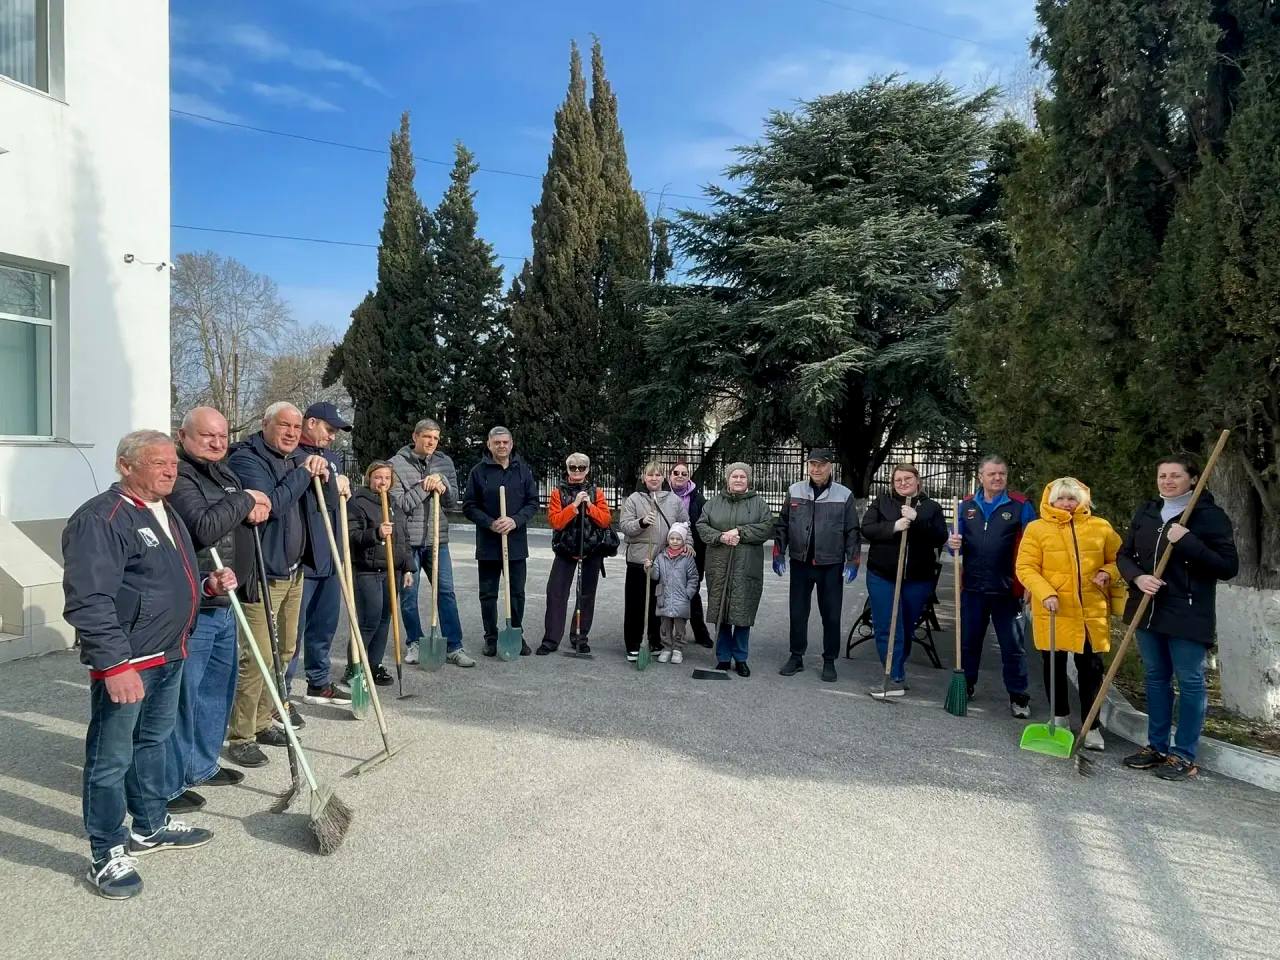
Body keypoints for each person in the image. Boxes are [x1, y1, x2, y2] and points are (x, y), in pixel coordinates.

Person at [63, 430, 235, 900]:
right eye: (157, 462)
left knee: (153, 743)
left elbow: (160, 583)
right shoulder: (102, 519)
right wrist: (114, 664)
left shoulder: (168, 513)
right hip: (129, 662)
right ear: (125, 465)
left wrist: (207, 586)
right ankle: (106, 849)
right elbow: (89, 600)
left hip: (170, 652)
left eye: (173, 464)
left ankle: (150, 824)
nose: (169, 470)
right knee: (110, 758)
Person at [163, 407, 270, 816]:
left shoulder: (224, 474)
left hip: (229, 601)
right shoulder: (182, 476)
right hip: (199, 602)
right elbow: (205, 528)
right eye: (207, 435)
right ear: (183, 435)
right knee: (185, 694)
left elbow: (245, 518)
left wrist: (252, 506)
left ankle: (202, 765)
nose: (216, 442)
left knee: (216, 690)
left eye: (222, 436)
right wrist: (246, 499)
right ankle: (171, 781)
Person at [1117, 456, 1238, 780]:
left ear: (1194, 479)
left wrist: (1186, 541)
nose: (1167, 481)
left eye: (1175, 476)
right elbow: (1124, 555)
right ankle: (1156, 747)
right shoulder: (1148, 511)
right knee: (1156, 678)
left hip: (1187, 611)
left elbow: (1227, 567)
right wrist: (1138, 579)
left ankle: (1183, 755)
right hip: (1149, 606)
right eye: (1162, 476)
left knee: (1190, 682)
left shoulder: (1209, 517)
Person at [225, 402, 332, 768]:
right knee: (257, 655)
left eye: (295, 426)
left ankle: (265, 718)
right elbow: (273, 504)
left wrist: (329, 477)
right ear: (265, 424)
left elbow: (323, 505)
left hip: (295, 571)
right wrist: (304, 472)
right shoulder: (247, 459)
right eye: (283, 425)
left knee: (286, 650)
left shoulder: (296, 459)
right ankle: (240, 735)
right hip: (263, 572)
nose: (290, 432)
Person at [1015, 477, 1122, 751]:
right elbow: (1026, 566)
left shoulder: (1101, 527)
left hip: (1090, 610)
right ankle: (1059, 717)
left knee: (1091, 668)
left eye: (1071, 498)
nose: (1066, 504)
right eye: (1060, 499)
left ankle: (1092, 725)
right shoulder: (1036, 529)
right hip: (1053, 608)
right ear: (1050, 501)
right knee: (1054, 664)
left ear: (1082, 500)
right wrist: (1045, 592)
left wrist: (1106, 573)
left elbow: (1119, 559)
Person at [946, 455, 1037, 716]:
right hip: (973, 587)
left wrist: (1030, 583)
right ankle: (967, 685)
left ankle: (1018, 695)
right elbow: (954, 544)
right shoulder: (966, 506)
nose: (997, 478)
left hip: (1008, 590)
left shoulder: (1020, 506)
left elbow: (1034, 547)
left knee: (1013, 646)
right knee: (969, 642)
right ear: (980, 477)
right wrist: (952, 545)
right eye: (992, 474)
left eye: (1002, 474)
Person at [390, 418, 474, 667]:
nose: (431, 443)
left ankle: (454, 646)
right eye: (427, 437)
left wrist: (443, 484)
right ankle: (414, 642)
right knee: (409, 594)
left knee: (446, 592)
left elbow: (452, 502)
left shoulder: (444, 462)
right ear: (415, 436)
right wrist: (425, 488)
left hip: (439, 539)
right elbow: (400, 504)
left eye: (436, 438)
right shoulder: (396, 464)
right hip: (409, 542)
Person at [861, 463, 948, 697]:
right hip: (882, 575)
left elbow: (940, 537)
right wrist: (894, 527)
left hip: (917, 579)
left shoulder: (931, 507)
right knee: (887, 626)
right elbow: (867, 528)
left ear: (917, 481)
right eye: (897, 480)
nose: (902, 483)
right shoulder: (882, 502)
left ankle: (896, 669)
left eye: (907, 479)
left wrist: (917, 519)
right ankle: (895, 677)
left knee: (906, 627)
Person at [774, 448, 861, 682]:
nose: (816, 469)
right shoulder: (795, 490)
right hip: (801, 562)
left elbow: (852, 530)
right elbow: (782, 524)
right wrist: (778, 553)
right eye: (812, 464)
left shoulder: (844, 494)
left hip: (831, 564)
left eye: (821, 464)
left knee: (831, 615)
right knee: (798, 613)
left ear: (830, 466)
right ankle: (796, 656)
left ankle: (829, 660)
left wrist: (853, 560)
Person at [290, 401, 354, 705]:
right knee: (293, 629)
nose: (332, 436)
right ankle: (282, 692)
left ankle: (318, 681)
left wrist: (342, 484)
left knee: (325, 623)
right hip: (304, 554)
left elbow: (333, 502)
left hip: (331, 553)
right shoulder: (293, 454)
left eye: (336, 432)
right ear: (311, 423)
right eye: (329, 429)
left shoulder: (331, 456)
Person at [462, 426, 539, 657]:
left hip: (515, 544)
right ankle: (491, 638)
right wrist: (490, 523)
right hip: (488, 543)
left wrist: (515, 521)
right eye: (497, 443)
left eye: (505, 442)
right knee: (488, 593)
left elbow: (533, 503)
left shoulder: (522, 471)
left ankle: (515, 633)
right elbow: (469, 506)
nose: (502, 446)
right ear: (489, 445)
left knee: (517, 592)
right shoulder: (478, 472)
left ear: (511, 444)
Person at [697, 463, 775, 676]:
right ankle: (723, 657)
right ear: (727, 479)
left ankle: (740, 657)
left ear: (748, 480)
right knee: (722, 610)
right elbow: (702, 526)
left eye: (742, 476)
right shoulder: (714, 503)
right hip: (719, 565)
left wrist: (740, 531)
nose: (738, 480)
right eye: (734, 476)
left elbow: (766, 527)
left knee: (742, 612)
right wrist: (720, 537)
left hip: (745, 566)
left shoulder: (758, 504)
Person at [537, 452, 613, 656]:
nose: (577, 471)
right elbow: (555, 522)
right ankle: (551, 639)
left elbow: (605, 521)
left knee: (586, 595)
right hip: (565, 549)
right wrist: (573, 506)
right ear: (567, 468)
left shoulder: (596, 492)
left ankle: (580, 636)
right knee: (556, 593)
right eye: (573, 467)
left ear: (587, 470)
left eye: (581, 467)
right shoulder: (557, 493)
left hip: (591, 549)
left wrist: (588, 506)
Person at [345, 461, 412, 683]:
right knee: (369, 620)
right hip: (367, 570)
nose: (382, 482)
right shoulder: (357, 503)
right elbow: (352, 537)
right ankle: (354, 667)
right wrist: (376, 533)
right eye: (377, 477)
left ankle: (374, 665)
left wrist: (408, 567)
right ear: (369, 478)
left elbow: (404, 538)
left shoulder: (394, 504)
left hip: (393, 571)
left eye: (386, 478)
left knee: (385, 619)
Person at [620, 461, 689, 662]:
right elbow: (624, 526)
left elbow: (684, 525)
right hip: (639, 559)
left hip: (664, 561)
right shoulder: (634, 499)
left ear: (663, 478)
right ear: (644, 478)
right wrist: (641, 523)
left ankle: (655, 640)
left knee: (657, 604)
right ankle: (633, 643)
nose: (654, 478)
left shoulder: (673, 500)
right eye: (650, 475)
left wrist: (688, 544)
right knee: (636, 604)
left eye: (658, 475)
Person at [664, 461, 713, 647]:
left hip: (693, 553)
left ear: (689, 477)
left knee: (691, 593)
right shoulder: (662, 496)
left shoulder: (699, 500)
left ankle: (700, 633)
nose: (680, 476)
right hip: (667, 552)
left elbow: (703, 524)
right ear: (670, 475)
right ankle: (663, 636)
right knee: (663, 593)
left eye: (684, 473)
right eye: (676, 472)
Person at [645, 521, 701, 664]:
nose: (675, 541)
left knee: (680, 625)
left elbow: (694, 578)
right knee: (664, 625)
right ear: (668, 540)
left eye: (678, 539)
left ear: (683, 541)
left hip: (681, 598)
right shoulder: (661, 557)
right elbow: (655, 575)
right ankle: (667, 648)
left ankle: (678, 648)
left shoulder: (687, 559)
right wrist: (649, 568)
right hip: (664, 596)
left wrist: (688, 593)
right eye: (672, 538)